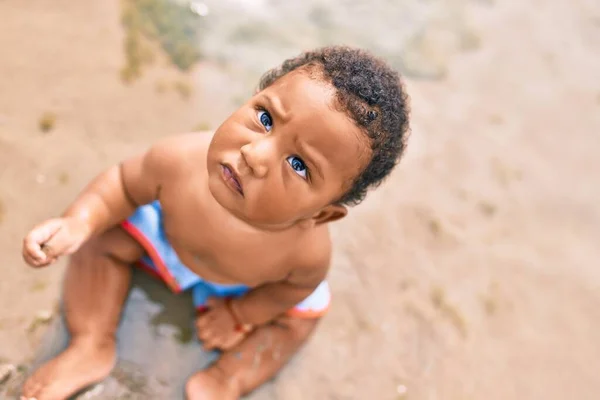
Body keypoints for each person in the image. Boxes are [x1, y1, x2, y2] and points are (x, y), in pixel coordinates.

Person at [20, 45, 410, 400]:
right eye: (265, 117)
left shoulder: (306, 250)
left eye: (298, 165)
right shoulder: (177, 162)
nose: (255, 155)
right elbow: (122, 184)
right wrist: (76, 223)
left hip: (241, 289)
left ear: (321, 214)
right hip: (168, 242)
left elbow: (294, 289)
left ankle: (228, 380)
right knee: (101, 238)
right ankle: (90, 343)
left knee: (300, 321)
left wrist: (244, 315)